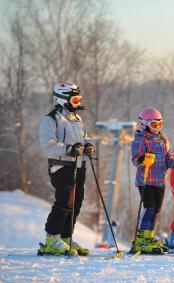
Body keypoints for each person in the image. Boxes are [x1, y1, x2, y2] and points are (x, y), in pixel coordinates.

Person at [38, 83, 94, 256]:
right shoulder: (51, 119)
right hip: (61, 167)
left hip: (78, 166)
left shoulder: (77, 119)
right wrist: (69, 149)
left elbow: (84, 137)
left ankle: (65, 237)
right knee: (65, 202)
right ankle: (51, 239)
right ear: (62, 99)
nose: (77, 103)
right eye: (74, 99)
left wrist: (89, 145)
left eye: (79, 99)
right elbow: (48, 145)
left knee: (76, 203)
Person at [130, 107, 174, 254]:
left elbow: (169, 159)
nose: (157, 128)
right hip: (146, 180)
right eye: (154, 125)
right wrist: (143, 159)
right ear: (144, 124)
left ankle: (149, 236)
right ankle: (142, 238)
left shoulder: (162, 140)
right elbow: (136, 159)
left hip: (160, 181)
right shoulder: (140, 140)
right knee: (149, 208)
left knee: (156, 210)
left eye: (160, 125)